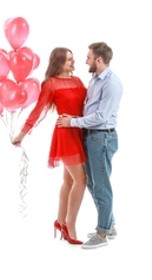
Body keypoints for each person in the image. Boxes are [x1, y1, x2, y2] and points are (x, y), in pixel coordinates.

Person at [11, 47, 88, 246]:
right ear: (59, 62)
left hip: (79, 130)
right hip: (66, 134)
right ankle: (70, 225)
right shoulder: (51, 84)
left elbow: (87, 105)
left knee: (69, 181)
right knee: (81, 179)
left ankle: (60, 221)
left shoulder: (78, 81)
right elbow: (38, 111)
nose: (73, 62)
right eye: (68, 60)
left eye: (73, 59)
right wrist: (21, 134)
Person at [57, 42, 122, 249]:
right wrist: (74, 118)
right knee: (92, 184)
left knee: (101, 186)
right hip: (90, 137)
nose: (85, 60)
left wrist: (73, 122)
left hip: (101, 138)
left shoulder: (112, 83)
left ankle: (102, 233)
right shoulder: (95, 80)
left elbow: (101, 116)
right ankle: (109, 226)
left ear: (99, 60)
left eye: (88, 57)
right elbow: (88, 109)